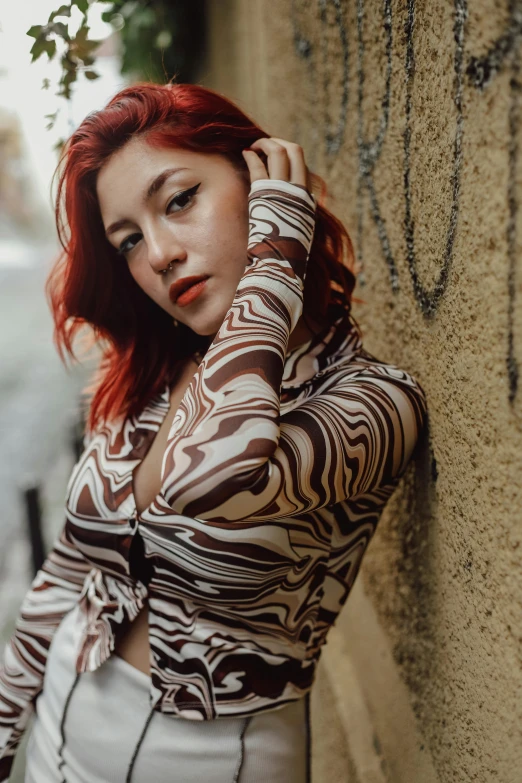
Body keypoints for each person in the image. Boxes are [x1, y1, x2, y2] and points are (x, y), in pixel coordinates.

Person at [0, 81, 428, 782]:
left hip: (213, 760)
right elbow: (71, 568)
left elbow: (212, 475)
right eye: (130, 240)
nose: (161, 253)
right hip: (59, 730)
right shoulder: (149, 378)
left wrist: (273, 268)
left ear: (259, 189)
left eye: (180, 201)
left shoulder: (374, 402)